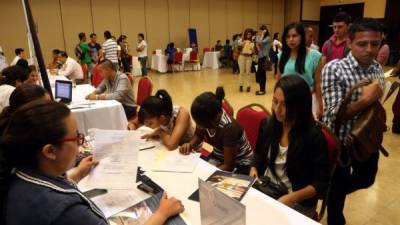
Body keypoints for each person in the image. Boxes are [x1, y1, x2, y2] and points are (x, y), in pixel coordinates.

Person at [0, 100, 184, 225]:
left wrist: (78, 173)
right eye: (76, 138)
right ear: (50, 151)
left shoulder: (19, 173)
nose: (81, 144)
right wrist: (162, 213)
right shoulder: (66, 210)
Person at [321, 18, 385, 225]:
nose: (369, 49)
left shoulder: (376, 67)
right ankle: (334, 212)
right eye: (362, 44)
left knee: (367, 179)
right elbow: (331, 114)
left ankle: (328, 190)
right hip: (340, 141)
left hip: (366, 139)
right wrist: (366, 99)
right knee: (337, 205)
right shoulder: (334, 69)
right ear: (350, 43)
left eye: (375, 44)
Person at [250, 75, 330, 218]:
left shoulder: (313, 137)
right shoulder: (267, 125)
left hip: (296, 200)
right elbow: (258, 155)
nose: (277, 110)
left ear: (300, 106)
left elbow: (320, 183)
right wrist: (254, 168)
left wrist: (292, 197)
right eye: (275, 102)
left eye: (285, 105)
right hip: (267, 188)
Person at [179, 88, 253, 174]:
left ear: (216, 118)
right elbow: (198, 136)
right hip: (219, 156)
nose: (198, 125)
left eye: (200, 123)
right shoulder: (205, 118)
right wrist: (190, 144)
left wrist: (207, 173)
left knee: (205, 179)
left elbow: (229, 166)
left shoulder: (230, 128)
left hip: (241, 163)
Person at [277, 22, 324, 120]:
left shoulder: (314, 56)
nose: (291, 39)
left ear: (302, 37)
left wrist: (320, 104)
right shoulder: (282, 56)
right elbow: (279, 81)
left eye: (294, 36)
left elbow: (317, 83)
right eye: (288, 36)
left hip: (306, 100)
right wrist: (276, 103)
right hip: (286, 100)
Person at [255, 25, 272, 95]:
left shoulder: (268, 38)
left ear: (264, 31)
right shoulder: (261, 36)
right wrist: (260, 36)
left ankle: (262, 90)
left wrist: (262, 34)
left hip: (264, 57)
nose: (259, 32)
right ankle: (262, 89)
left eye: (261, 31)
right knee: (260, 74)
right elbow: (257, 41)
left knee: (261, 74)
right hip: (260, 57)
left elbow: (259, 42)